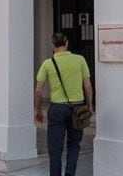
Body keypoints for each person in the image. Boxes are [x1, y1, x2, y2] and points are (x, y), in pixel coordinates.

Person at [34, 32, 93, 176]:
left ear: (53, 46)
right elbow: (88, 87)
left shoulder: (47, 64)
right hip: (78, 107)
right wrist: (89, 106)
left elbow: (38, 92)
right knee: (74, 145)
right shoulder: (80, 60)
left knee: (55, 148)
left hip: (57, 109)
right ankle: (69, 173)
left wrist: (38, 110)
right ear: (67, 44)